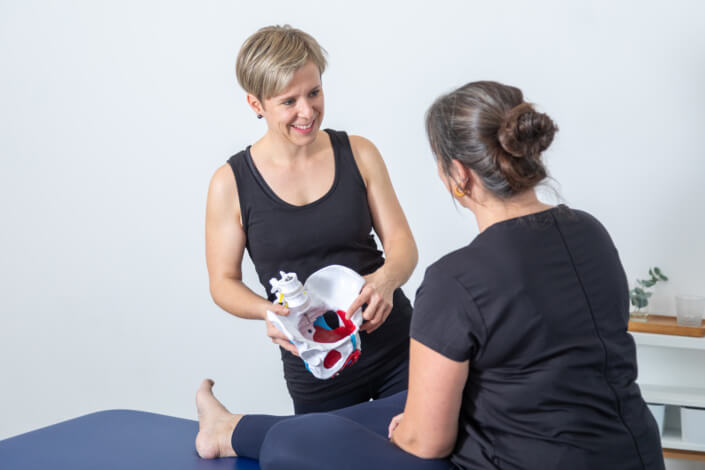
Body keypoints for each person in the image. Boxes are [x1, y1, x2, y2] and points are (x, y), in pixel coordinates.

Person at [196, 80, 665, 470]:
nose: (306, 110)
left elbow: (428, 444)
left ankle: (233, 432)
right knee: (372, 416)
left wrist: (411, 430)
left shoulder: (456, 280)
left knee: (295, 445)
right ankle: (227, 428)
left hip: (520, 459)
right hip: (636, 454)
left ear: (457, 175)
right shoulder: (590, 232)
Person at [206, 25, 417, 414]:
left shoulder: (359, 153)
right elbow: (223, 283)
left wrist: (386, 281)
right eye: (289, 101)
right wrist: (268, 312)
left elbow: (402, 245)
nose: (307, 111)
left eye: (314, 93)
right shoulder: (230, 183)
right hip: (317, 363)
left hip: (398, 349)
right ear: (256, 104)